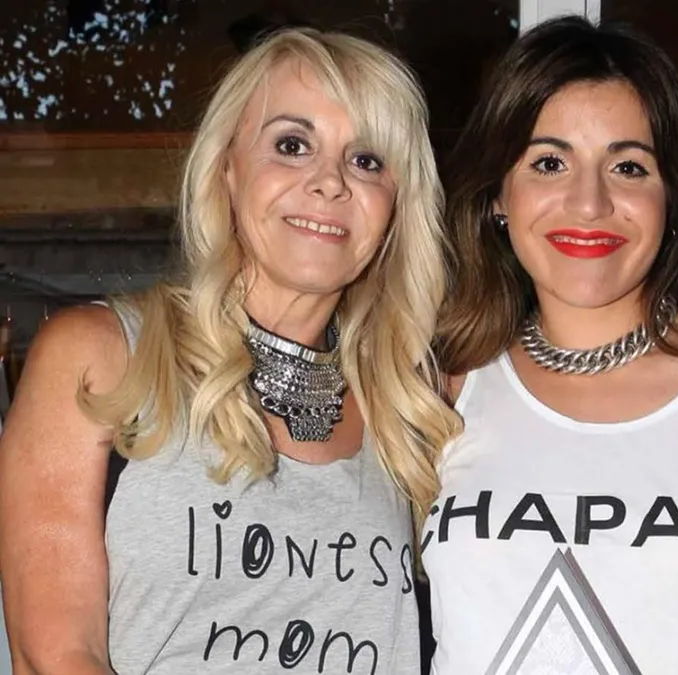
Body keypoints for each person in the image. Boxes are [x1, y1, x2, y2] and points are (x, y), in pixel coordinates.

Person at [0, 27, 459, 675]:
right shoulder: (103, 355)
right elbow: (53, 655)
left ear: (396, 208)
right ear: (227, 169)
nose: (330, 182)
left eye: (367, 160)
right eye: (292, 145)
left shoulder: (409, 406)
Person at [426, 16, 678, 675]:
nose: (589, 203)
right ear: (498, 196)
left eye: (628, 167)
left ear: (671, 195)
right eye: (549, 163)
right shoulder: (441, 383)